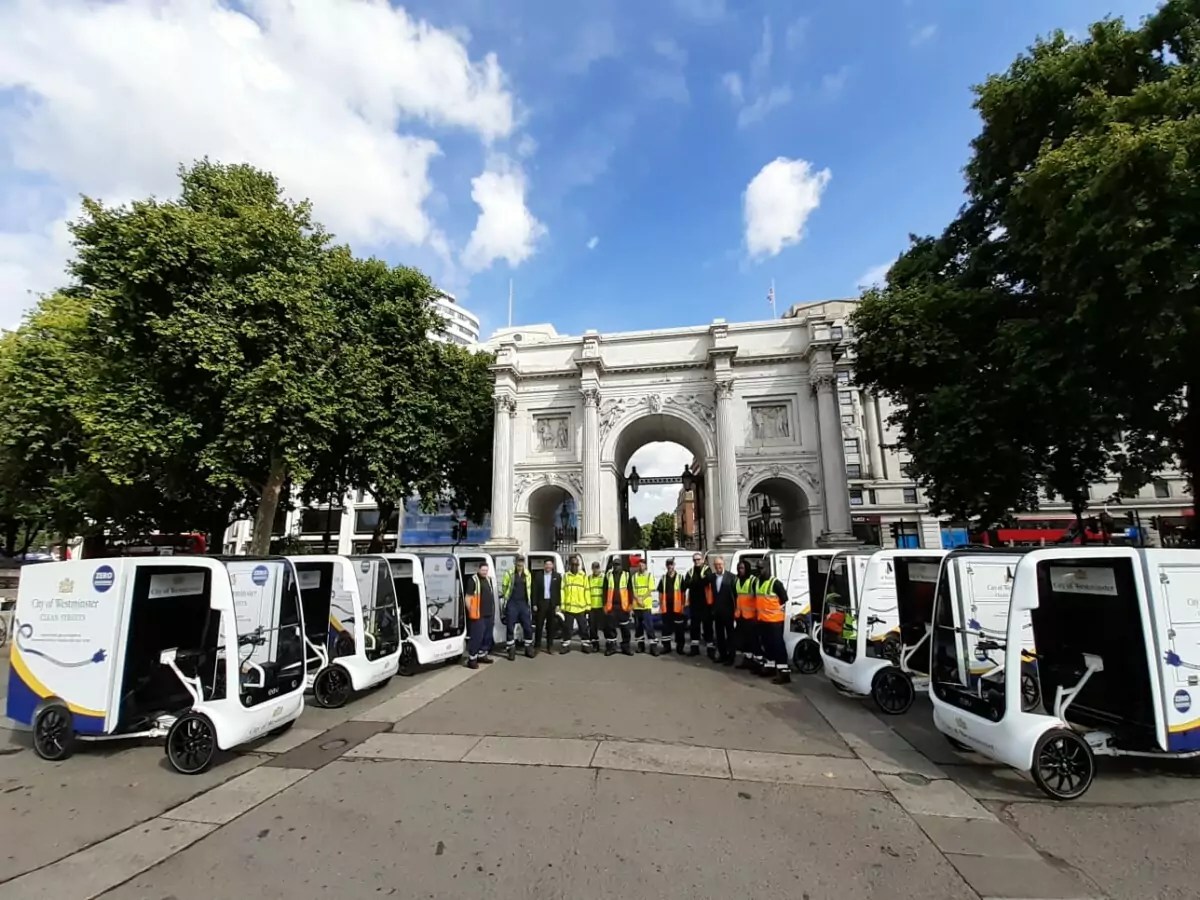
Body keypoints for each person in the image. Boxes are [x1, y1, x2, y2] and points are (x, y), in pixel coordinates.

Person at [756, 557, 791, 684]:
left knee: (778, 646)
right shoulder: (758, 582)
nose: (759, 571)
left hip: (775, 622)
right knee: (767, 644)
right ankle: (770, 666)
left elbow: (784, 599)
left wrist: (774, 611)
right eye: (758, 568)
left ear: (768, 568)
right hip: (763, 620)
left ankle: (784, 672)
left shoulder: (775, 583)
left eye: (761, 568)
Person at [501, 554, 535, 660]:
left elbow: (529, 588)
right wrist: (506, 597)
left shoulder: (527, 573)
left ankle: (528, 647)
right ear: (515, 562)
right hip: (512, 602)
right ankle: (511, 649)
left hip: (523, 603)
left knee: (527, 626)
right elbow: (504, 586)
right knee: (510, 627)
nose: (520, 564)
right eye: (518, 562)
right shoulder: (509, 573)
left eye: (522, 562)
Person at [683, 552, 715, 659]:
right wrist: (698, 583)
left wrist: (694, 583)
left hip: (706, 604)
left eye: (698, 559)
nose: (696, 561)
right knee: (694, 627)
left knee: (707, 627)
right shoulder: (690, 571)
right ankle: (694, 649)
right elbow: (686, 584)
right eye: (695, 560)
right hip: (694, 604)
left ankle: (710, 650)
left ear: (702, 560)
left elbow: (707, 580)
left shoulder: (707, 569)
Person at [465, 561, 497, 669]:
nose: (484, 572)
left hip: (489, 613)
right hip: (478, 614)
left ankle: (482, 655)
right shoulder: (473, 580)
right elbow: (468, 597)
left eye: (486, 570)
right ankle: (472, 659)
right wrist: (471, 611)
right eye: (483, 570)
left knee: (487, 636)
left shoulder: (488, 579)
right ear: (478, 569)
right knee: (477, 636)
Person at [559, 554, 591, 653]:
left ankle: (585, 644)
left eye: (576, 565)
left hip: (581, 607)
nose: (574, 566)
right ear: (569, 565)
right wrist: (563, 606)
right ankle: (566, 645)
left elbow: (587, 591)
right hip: (569, 608)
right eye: (572, 564)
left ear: (579, 565)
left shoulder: (583, 576)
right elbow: (562, 591)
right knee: (567, 628)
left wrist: (588, 606)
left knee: (583, 628)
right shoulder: (565, 576)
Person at [733, 559, 761, 672]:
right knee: (744, 641)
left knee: (753, 641)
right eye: (739, 568)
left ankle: (757, 662)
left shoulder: (753, 581)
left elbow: (759, 599)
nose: (740, 570)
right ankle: (747, 660)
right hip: (740, 616)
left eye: (742, 568)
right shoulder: (737, 581)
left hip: (751, 617)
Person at [602, 558, 633, 656]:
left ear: (621, 566)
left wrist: (631, 604)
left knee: (625, 628)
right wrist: (604, 605)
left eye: (618, 565)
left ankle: (626, 647)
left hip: (623, 606)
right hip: (611, 606)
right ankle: (611, 647)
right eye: (615, 565)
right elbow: (604, 591)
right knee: (610, 628)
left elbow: (630, 591)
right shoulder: (608, 575)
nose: (616, 566)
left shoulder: (627, 575)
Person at [710, 555, 736, 665]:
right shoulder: (712, 577)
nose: (718, 567)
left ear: (724, 564)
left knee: (730, 636)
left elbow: (735, 595)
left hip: (729, 612)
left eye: (720, 564)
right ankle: (722, 655)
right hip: (717, 612)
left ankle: (731, 657)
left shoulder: (732, 577)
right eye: (716, 565)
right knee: (719, 635)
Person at [656, 558, 686, 653]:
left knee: (679, 629)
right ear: (666, 566)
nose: (670, 566)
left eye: (671, 564)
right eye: (668, 565)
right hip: (666, 607)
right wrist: (660, 606)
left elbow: (683, 593)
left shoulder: (680, 577)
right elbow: (660, 593)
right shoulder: (663, 578)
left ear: (674, 565)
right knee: (666, 628)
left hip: (677, 608)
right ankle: (666, 647)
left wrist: (683, 605)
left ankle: (680, 648)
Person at [534, 558, 562, 654]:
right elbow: (534, 591)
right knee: (539, 625)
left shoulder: (557, 576)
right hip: (541, 603)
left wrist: (558, 604)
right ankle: (537, 646)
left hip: (552, 603)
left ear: (552, 566)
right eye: (546, 565)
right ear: (544, 566)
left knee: (551, 626)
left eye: (550, 565)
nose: (548, 566)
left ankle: (550, 646)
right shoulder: (538, 576)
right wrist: (534, 604)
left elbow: (559, 591)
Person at [631, 558, 659, 656]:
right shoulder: (634, 577)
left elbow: (650, 589)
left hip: (646, 605)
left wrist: (642, 599)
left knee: (649, 626)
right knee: (638, 627)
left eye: (642, 565)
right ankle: (640, 646)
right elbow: (633, 590)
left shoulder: (649, 575)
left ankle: (653, 647)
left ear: (645, 566)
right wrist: (638, 600)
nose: (641, 567)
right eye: (639, 565)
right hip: (637, 606)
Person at [587, 561, 606, 653]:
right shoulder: (589, 578)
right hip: (592, 607)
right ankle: (595, 644)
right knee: (592, 627)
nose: (595, 570)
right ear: (592, 569)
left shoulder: (604, 577)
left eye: (597, 568)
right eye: (594, 568)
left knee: (605, 627)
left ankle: (609, 643)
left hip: (602, 606)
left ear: (599, 568)